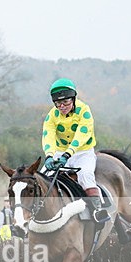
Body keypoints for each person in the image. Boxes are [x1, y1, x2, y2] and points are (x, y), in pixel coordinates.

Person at [42, 78, 110, 224]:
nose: (62, 106)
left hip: (82, 152)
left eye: (66, 102)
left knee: (85, 174)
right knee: (42, 177)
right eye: (58, 103)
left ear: (73, 98)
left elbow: (82, 135)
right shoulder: (52, 115)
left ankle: (98, 210)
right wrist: (49, 156)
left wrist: (68, 153)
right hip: (60, 152)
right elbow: (48, 136)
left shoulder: (84, 110)